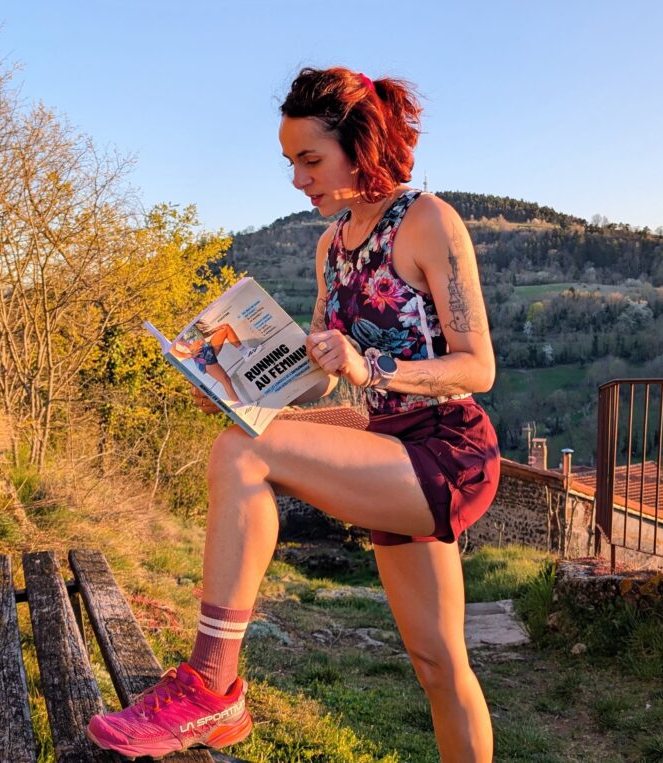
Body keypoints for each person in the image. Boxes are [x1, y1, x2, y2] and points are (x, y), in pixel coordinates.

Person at [87, 66, 500, 762]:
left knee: (245, 451)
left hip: (445, 450)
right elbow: (313, 378)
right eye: (291, 163)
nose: (298, 179)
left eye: (310, 159)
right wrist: (230, 384)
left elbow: (477, 366)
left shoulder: (428, 221)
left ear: (361, 146)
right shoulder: (330, 246)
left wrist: (373, 367)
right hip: (385, 441)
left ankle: (211, 689)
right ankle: (212, 690)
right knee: (438, 663)